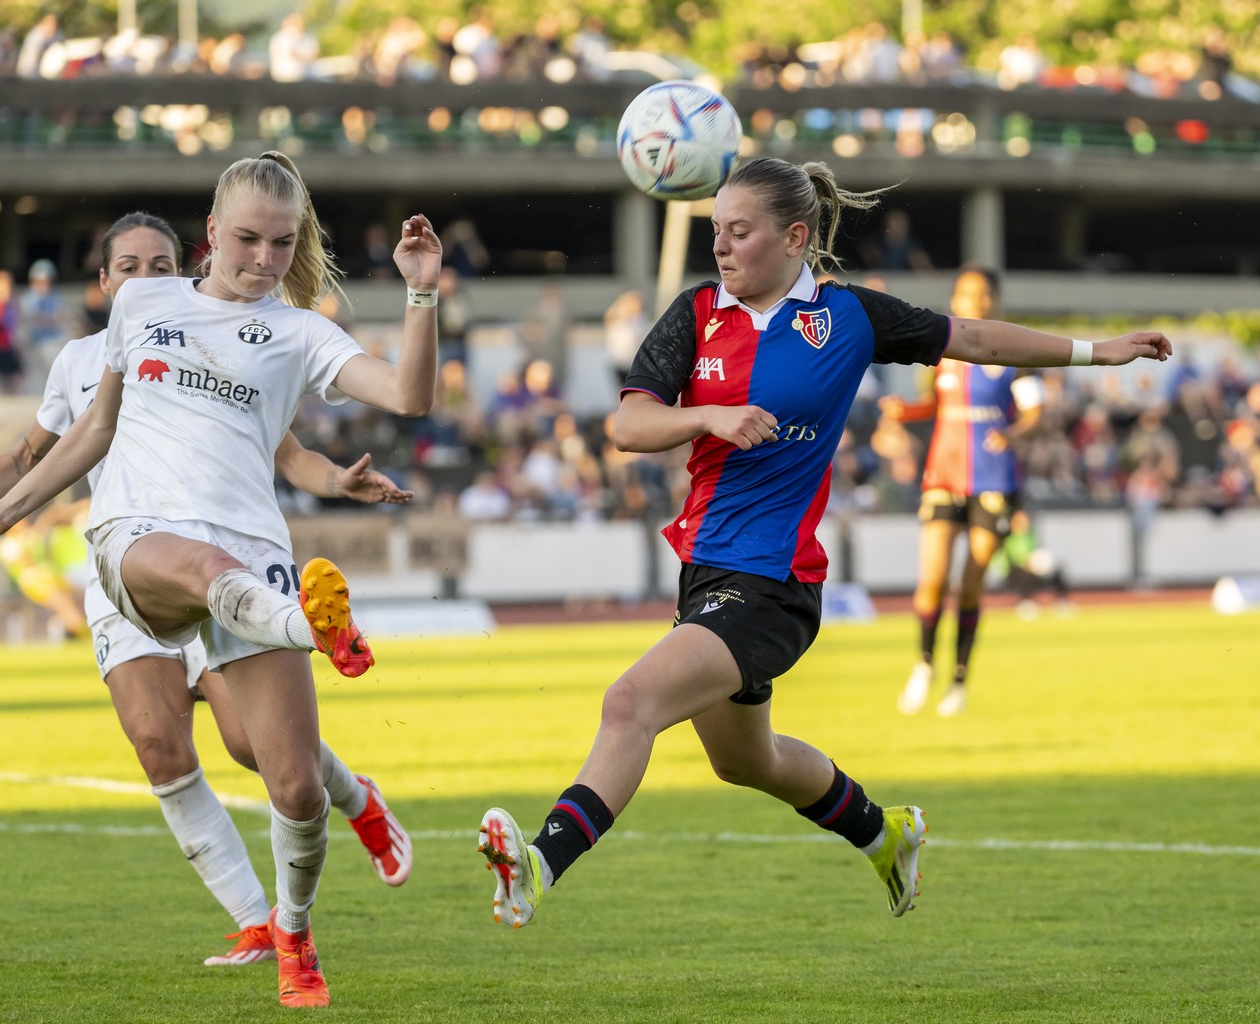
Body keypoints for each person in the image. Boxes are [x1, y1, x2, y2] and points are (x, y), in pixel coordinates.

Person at [475, 157, 1171, 932]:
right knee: (747, 762)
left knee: (630, 702)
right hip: (706, 573)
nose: (723, 248)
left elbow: (972, 337)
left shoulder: (848, 318)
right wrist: (707, 417)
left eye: (741, 232)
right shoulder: (698, 312)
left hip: (774, 583)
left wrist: (1095, 351)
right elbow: (627, 425)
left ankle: (538, 865)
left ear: (794, 236)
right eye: (717, 232)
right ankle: (885, 833)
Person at [0, 155, 439, 1009]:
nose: (262, 258)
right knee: (193, 618)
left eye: (281, 244)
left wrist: (423, 293)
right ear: (211, 234)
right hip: (135, 538)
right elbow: (94, 431)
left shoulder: (298, 330)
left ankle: (293, 936)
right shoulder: (144, 304)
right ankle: (313, 629)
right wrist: (15, 507)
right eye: (246, 238)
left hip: (255, 550)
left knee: (288, 782)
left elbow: (409, 395)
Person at [886, 268, 1041, 718]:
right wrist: (905, 411)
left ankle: (958, 680)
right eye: (966, 292)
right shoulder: (943, 352)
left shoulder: (1015, 354)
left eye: (983, 293)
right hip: (943, 476)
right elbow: (932, 405)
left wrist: (1014, 433)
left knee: (970, 586)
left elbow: (1035, 413)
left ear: (994, 299)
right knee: (931, 581)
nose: (974, 300)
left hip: (994, 481)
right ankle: (924, 664)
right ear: (955, 297)